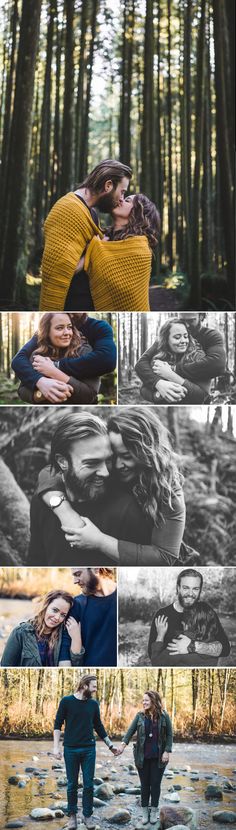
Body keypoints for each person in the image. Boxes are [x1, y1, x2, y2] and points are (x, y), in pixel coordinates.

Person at [28, 408, 186, 566]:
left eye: (126, 456)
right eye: (114, 456)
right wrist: (63, 509)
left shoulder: (167, 493)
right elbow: (50, 472)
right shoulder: (105, 472)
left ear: (148, 454)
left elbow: (165, 557)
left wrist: (100, 541)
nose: (114, 467)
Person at [39, 159, 132, 311]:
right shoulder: (68, 209)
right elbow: (59, 272)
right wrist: (95, 248)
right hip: (69, 305)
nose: (122, 199)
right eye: (122, 192)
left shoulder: (90, 213)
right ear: (108, 185)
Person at [53, 674, 118, 829]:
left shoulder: (93, 704)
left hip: (89, 749)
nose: (95, 689)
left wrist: (110, 745)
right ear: (84, 685)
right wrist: (55, 747)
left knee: (88, 785)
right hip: (70, 749)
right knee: (71, 785)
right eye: (93, 686)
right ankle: (72, 817)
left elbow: (99, 726)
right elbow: (57, 724)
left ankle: (87, 816)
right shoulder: (66, 701)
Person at [11, 312, 116, 405]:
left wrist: (55, 370)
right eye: (59, 328)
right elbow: (22, 388)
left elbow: (107, 361)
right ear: (47, 332)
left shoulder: (86, 347)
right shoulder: (39, 353)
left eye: (69, 327)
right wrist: (42, 389)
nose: (67, 332)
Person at [79, 193, 160, 311]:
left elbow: (122, 290)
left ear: (138, 213)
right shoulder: (99, 237)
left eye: (127, 200)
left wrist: (97, 248)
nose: (120, 199)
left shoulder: (140, 248)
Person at [135, 314, 226, 404]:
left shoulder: (199, 352)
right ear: (166, 340)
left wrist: (172, 372)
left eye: (191, 320)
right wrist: (159, 389)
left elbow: (217, 365)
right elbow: (143, 384)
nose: (186, 325)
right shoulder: (160, 355)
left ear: (201, 316)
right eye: (177, 337)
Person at [148, 569, 231, 667]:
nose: (190, 593)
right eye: (186, 588)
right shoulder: (162, 614)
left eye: (195, 589)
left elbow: (225, 649)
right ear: (178, 588)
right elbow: (151, 654)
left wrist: (192, 646)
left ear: (200, 590)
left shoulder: (205, 613)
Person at [117, 690, 172, 825]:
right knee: (145, 785)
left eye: (146, 700)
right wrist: (122, 746)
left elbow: (170, 735)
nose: (144, 702)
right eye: (143, 700)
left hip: (159, 757)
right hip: (142, 757)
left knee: (155, 785)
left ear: (154, 701)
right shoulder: (140, 716)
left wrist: (167, 751)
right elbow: (130, 731)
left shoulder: (164, 716)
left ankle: (153, 811)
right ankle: (144, 812)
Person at [0, 590, 84, 667]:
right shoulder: (20, 633)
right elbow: (5, 667)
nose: (57, 617)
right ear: (45, 606)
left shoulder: (63, 635)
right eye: (55, 610)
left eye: (63, 615)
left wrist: (76, 637)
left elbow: (75, 666)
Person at [59, 567, 117, 667]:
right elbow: (65, 645)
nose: (74, 581)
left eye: (78, 574)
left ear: (96, 569)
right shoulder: (78, 604)